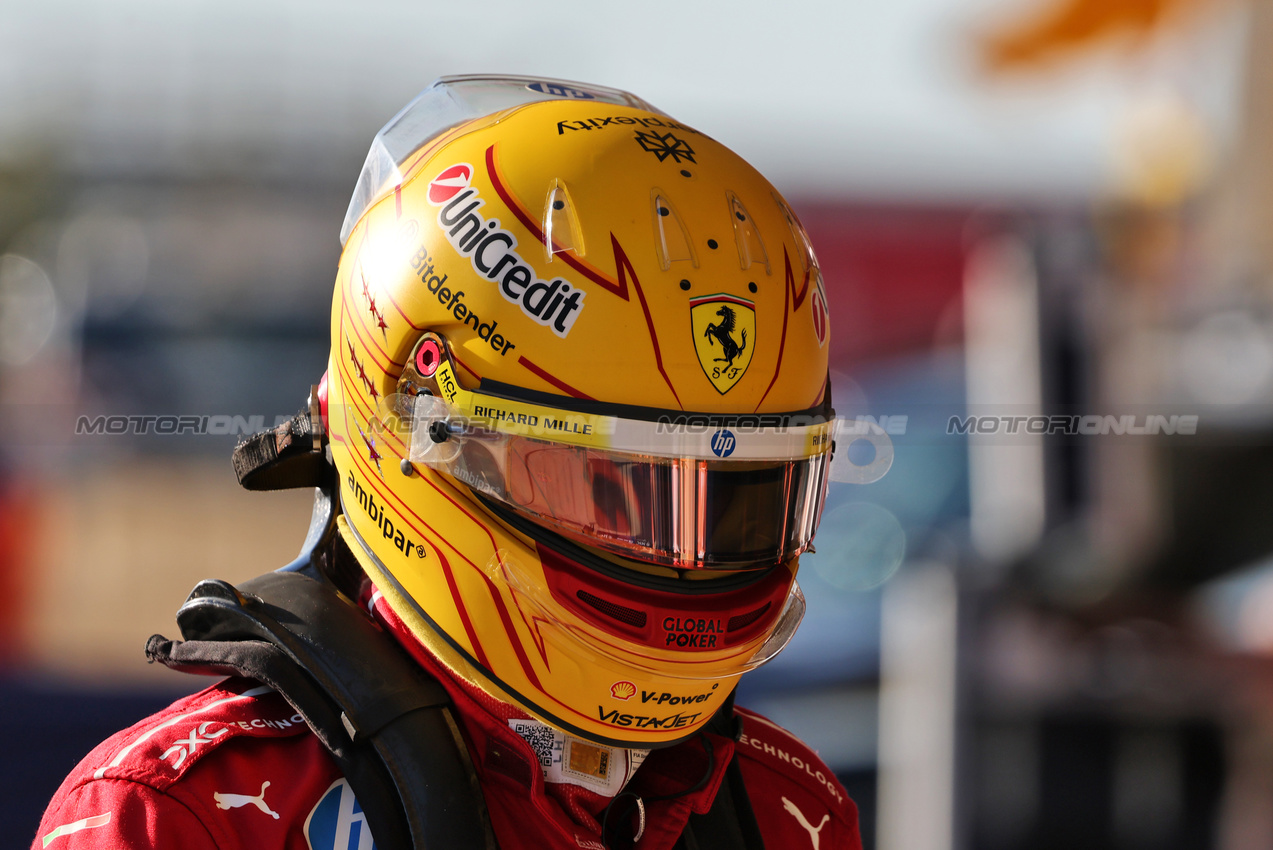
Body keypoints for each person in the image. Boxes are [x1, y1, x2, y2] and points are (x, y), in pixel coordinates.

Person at [34, 76, 861, 850]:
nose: (685, 561)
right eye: (614, 491)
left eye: (736, 500)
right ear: (412, 428)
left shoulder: (789, 811)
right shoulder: (176, 813)